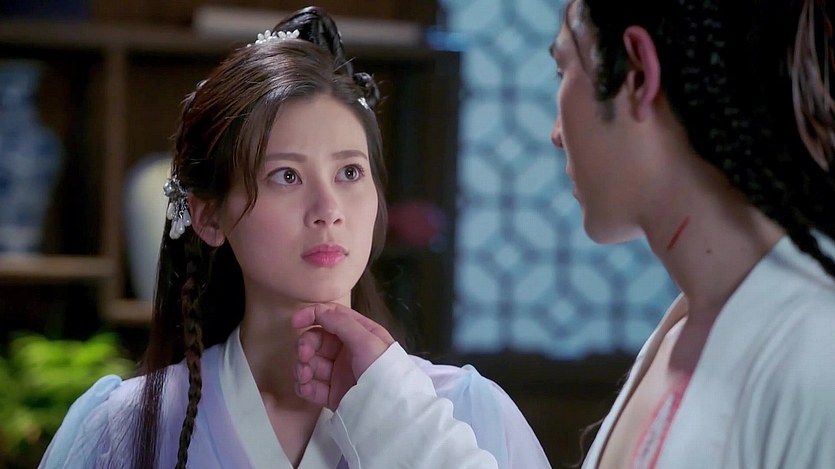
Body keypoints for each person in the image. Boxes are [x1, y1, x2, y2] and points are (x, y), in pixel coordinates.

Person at [291, 0, 835, 468]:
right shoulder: (689, 325)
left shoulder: (814, 354)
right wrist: (390, 410)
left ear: (637, 76)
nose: (555, 133)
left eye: (563, 71)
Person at [38, 6, 550, 469]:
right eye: (286, 176)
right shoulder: (124, 428)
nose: (328, 211)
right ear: (209, 216)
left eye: (350, 173)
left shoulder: (467, 412)